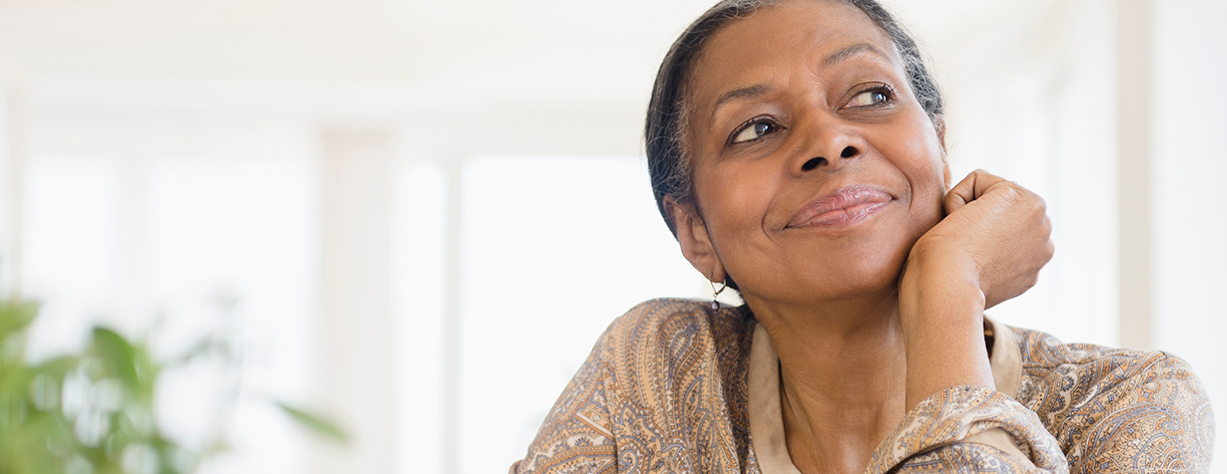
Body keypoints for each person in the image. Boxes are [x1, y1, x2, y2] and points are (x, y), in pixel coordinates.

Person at [510, 0, 1214, 472]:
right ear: (696, 232)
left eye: (870, 95)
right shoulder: (654, 371)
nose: (829, 140)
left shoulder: (1129, 403)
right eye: (757, 127)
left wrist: (947, 288)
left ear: (939, 148)